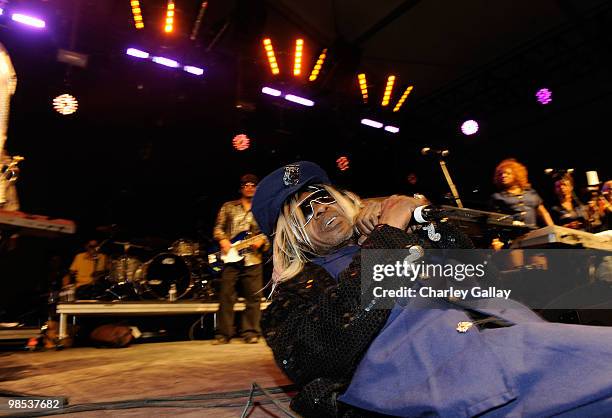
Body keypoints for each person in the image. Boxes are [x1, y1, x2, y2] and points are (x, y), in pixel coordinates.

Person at [252, 161, 612, 417]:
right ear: (291, 236)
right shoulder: (291, 296)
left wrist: (420, 220)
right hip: (447, 380)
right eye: (304, 210)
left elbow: (480, 279)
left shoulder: (393, 235)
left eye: (323, 196)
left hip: (510, 341)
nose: (320, 209)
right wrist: (386, 241)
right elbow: (319, 352)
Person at [212, 174, 268, 344]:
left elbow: (268, 232)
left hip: (253, 258)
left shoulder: (262, 209)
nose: (250, 187)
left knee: (253, 297)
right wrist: (223, 239)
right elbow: (218, 228)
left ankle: (250, 332)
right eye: (246, 185)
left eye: (253, 185)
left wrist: (263, 240)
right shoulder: (228, 207)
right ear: (241, 188)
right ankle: (223, 334)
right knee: (226, 296)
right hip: (231, 257)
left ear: (257, 188)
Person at [490, 158, 554, 227]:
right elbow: (495, 219)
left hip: (533, 232)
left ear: (516, 175)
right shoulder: (497, 197)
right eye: (500, 174)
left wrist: (553, 229)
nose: (503, 176)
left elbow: (543, 212)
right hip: (513, 233)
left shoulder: (531, 192)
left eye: (508, 173)